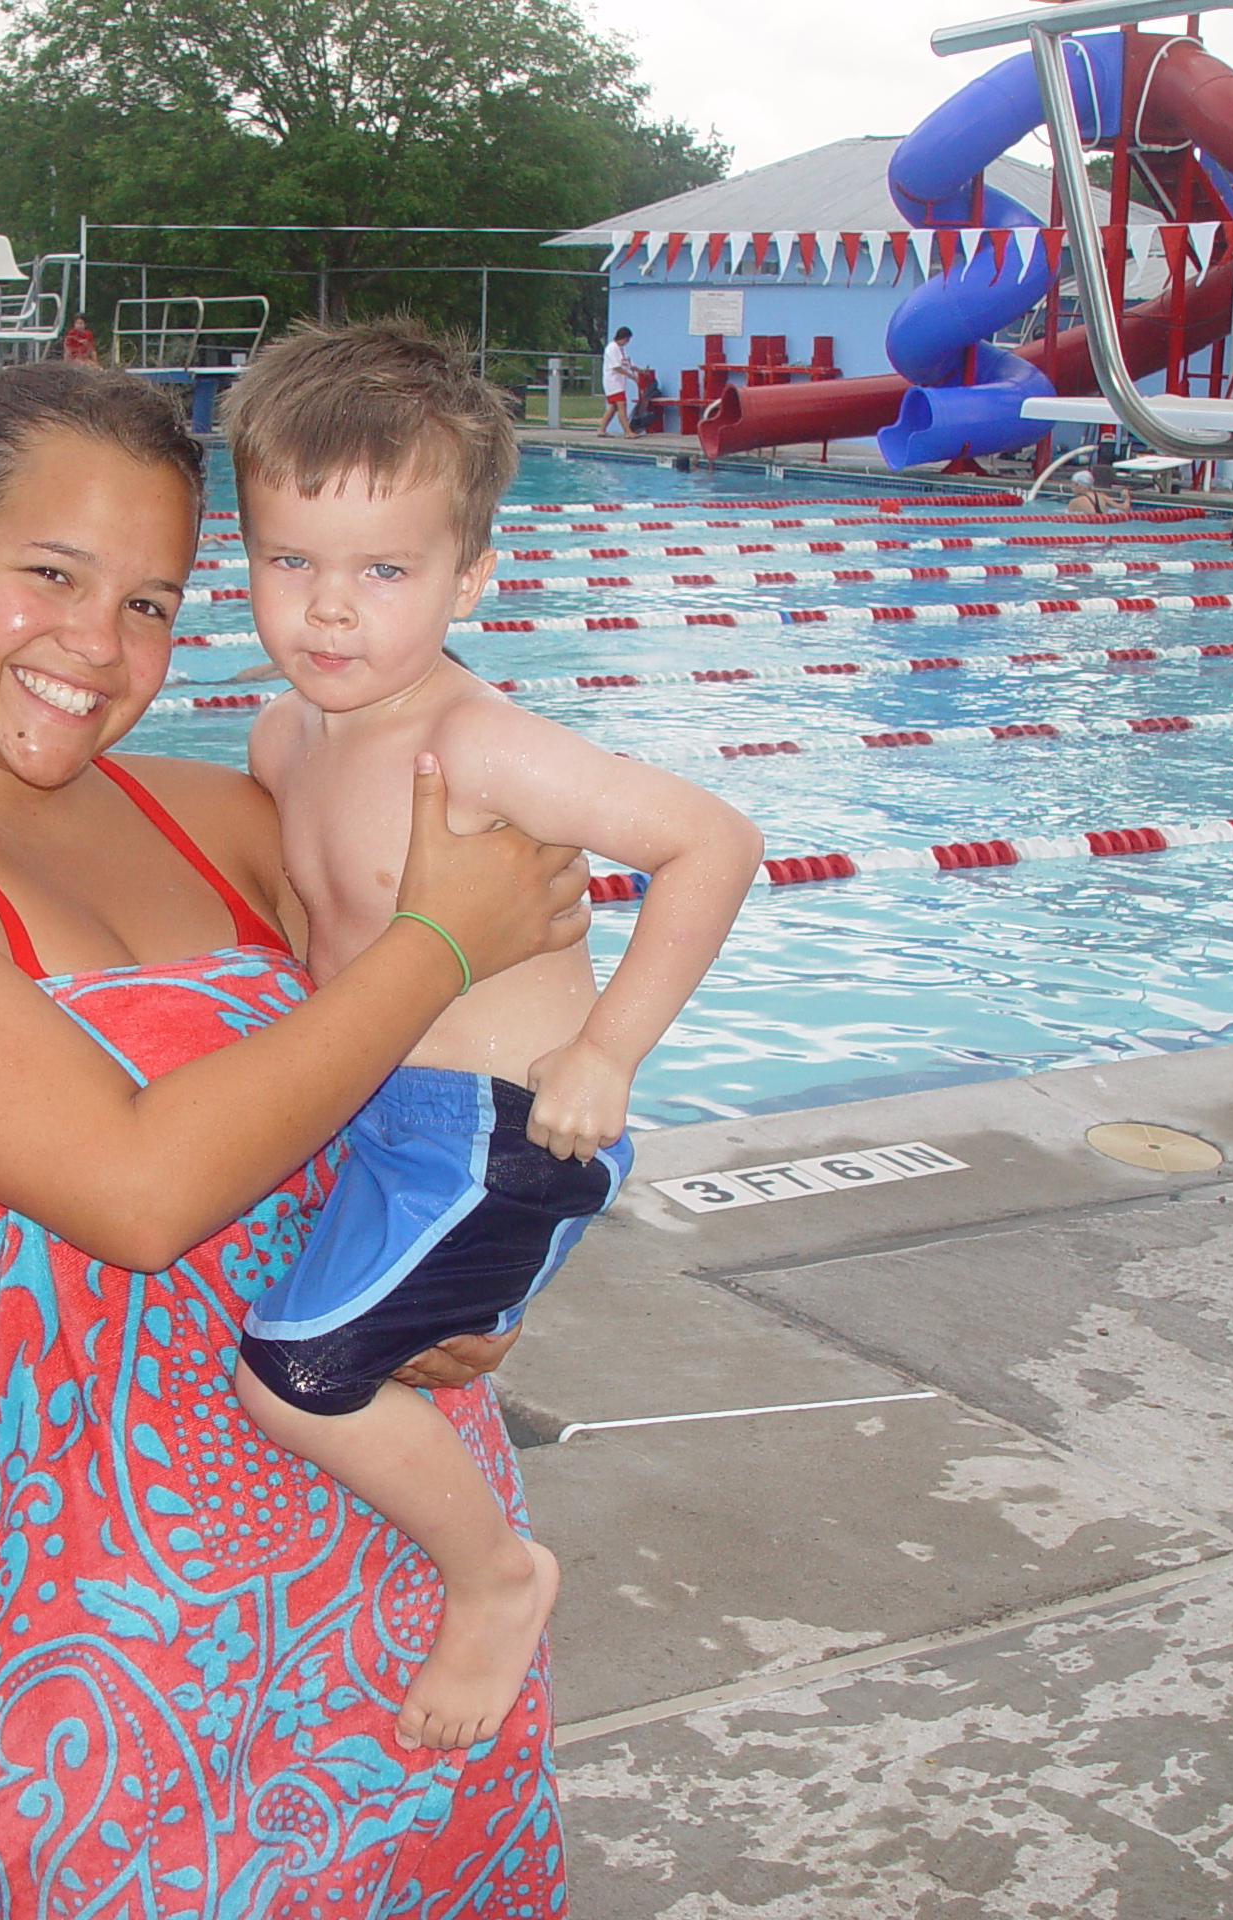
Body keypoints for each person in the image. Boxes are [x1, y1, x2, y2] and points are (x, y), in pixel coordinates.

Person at [0, 360, 592, 1913]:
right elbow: (138, 1189)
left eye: (150, 601)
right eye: (49, 576)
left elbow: (479, 1029)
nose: (97, 646)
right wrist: (433, 942)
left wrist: (477, 1269)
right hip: (112, 1653)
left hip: (404, 1565)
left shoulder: (218, 814)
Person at [223, 319, 761, 1751]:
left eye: (384, 572)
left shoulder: (478, 745)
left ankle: (496, 1581)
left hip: (505, 1135)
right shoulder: (286, 742)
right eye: (293, 562)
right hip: (390, 1125)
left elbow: (713, 842)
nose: (330, 613)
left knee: (296, 1374)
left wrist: (608, 1055)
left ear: (473, 576)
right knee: (315, 1352)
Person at [599, 326, 642, 436]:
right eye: (627, 339)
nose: (627, 342)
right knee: (622, 405)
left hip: (619, 382)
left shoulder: (621, 349)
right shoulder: (612, 348)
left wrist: (640, 370)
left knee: (614, 407)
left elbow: (627, 364)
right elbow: (616, 367)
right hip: (613, 382)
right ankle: (627, 431)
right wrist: (631, 376)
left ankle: (601, 429)